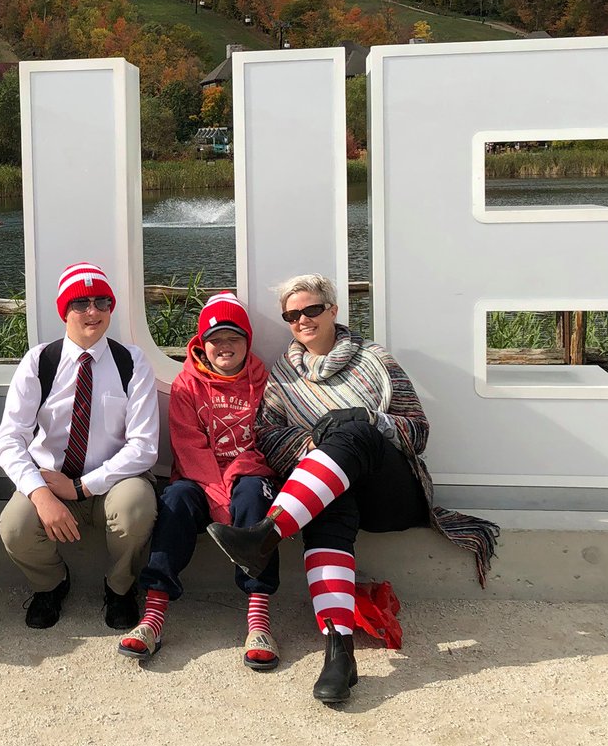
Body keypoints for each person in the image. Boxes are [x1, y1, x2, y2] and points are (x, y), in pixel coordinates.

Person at [208, 274, 499, 704]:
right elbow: (268, 437)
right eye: (292, 315)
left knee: (355, 428)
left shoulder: (375, 360)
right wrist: (315, 444)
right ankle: (339, 653)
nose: (302, 320)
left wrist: (368, 419)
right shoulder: (284, 375)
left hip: (391, 496)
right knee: (330, 493)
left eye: (311, 310)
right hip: (324, 494)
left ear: (332, 310)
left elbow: (418, 431)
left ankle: (267, 534)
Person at [0, 262, 159, 631]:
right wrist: (40, 494)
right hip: (51, 481)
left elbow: (144, 447)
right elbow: (9, 439)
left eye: (102, 302)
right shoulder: (40, 362)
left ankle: (119, 588)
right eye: (81, 303)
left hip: (113, 483)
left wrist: (84, 487)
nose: (93, 312)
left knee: (136, 507)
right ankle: (51, 584)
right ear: (64, 311)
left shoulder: (131, 362)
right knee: (15, 528)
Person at [118, 293, 279, 668]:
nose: (225, 346)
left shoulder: (265, 383)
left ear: (247, 341)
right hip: (197, 477)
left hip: (247, 474)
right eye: (216, 338)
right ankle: (154, 614)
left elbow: (267, 441)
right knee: (174, 499)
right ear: (201, 344)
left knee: (255, 496)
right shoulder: (187, 385)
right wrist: (219, 496)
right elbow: (188, 446)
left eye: (234, 338)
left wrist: (235, 479)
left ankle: (258, 618)